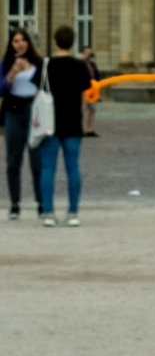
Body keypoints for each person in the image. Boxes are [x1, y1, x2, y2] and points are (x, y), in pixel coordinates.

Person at [36, 25, 93, 227]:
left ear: (55, 41)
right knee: (73, 168)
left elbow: (37, 90)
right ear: (73, 42)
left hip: (50, 123)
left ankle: (48, 212)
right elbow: (85, 93)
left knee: (47, 168)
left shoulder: (45, 65)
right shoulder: (80, 66)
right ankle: (73, 212)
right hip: (72, 122)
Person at [2, 26, 44, 219]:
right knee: (13, 161)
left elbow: (45, 86)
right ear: (11, 44)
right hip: (13, 111)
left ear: (28, 42)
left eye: (23, 40)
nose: (20, 44)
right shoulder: (6, 63)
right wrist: (11, 73)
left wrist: (31, 75)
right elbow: (1, 89)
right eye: (16, 41)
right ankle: (14, 204)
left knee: (37, 161)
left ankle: (41, 203)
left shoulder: (38, 62)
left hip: (33, 111)